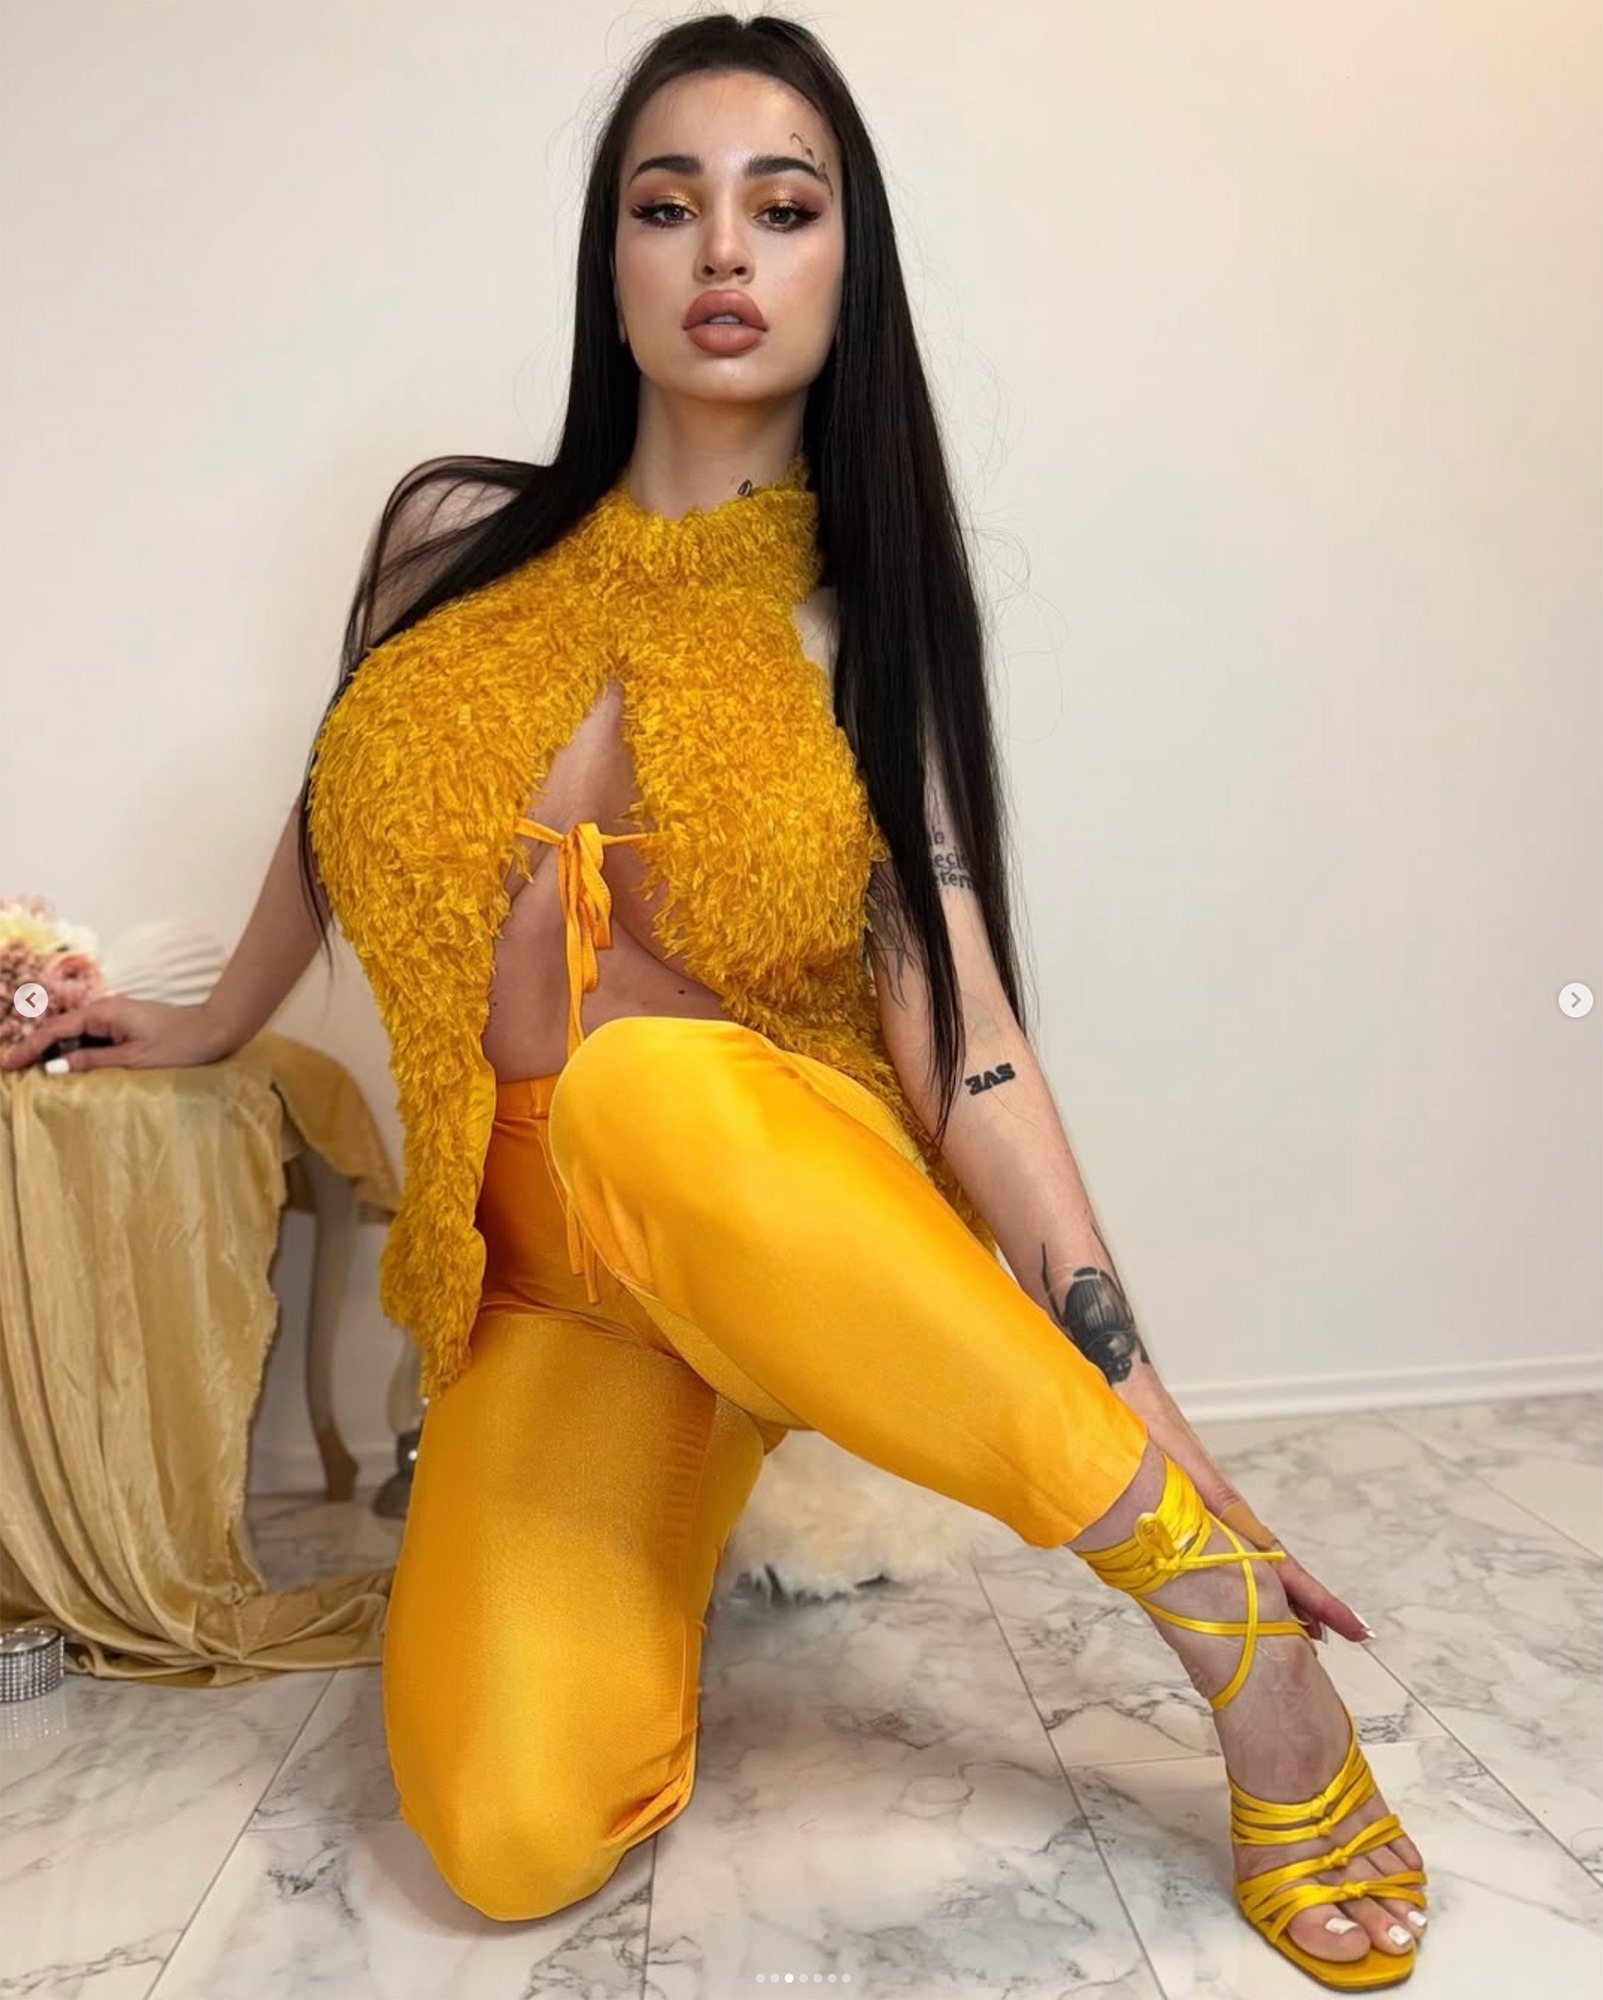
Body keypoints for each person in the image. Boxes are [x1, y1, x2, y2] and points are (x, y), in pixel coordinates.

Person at [2, 12, 1428, 1985]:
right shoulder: (444, 543)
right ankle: (661, 1528)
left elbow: (968, 1041)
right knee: (500, 1836)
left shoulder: (854, 628)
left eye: (785, 206)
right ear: (612, 264)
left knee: (644, 1092)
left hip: (770, 1189)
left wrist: (1155, 1415)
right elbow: (340, 806)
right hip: (543, 1289)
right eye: (667, 206)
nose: (726, 250)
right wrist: (204, 1016)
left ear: (851, 262)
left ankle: (1237, 1641)